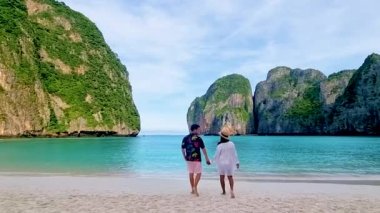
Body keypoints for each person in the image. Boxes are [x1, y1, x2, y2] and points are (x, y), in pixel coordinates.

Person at [181, 124, 211, 196]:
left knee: (191, 173)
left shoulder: (185, 138)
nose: (200, 130)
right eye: (199, 129)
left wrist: (184, 156)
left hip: (189, 158)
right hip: (197, 159)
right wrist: (207, 158)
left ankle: (192, 189)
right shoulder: (199, 138)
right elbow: (203, 149)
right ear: (195, 129)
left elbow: (182, 148)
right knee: (199, 173)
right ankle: (195, 187)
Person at [213, 125, 239, 198]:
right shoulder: (232, 144)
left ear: (221, 136)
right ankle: (231, 190)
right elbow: (235, 154)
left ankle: (224, 191)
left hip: (221, 163)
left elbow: (216, 155)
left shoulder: (219, 145)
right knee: (230, 177)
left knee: (222, 177)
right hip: (230, 163)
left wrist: (212, 161)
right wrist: (237, 162)